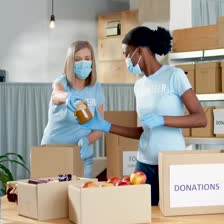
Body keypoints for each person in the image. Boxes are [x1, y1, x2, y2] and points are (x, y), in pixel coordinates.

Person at [81, 26, 207, 206]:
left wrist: (163, 120)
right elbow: (143, 131)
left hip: (171, 162)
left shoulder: (174, 75)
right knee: (141, 214)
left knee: (171, 216)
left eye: (126, 54)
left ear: (139, 51)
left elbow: (201, 118)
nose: (125, 60)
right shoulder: (139, 86)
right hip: (143, 164)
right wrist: (107, 126)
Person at [41, 40, 105, 178]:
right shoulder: (62, 82)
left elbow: (99, 128)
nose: (83, 63)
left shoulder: (96, 88)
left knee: (80, 196)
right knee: (50, 196)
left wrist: (87, 140)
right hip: (53, 153)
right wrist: (69, 98)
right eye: (78, 59)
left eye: (87, 59)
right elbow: (56, 95)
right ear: (71, 62)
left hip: (80, 155)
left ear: (92, 61)